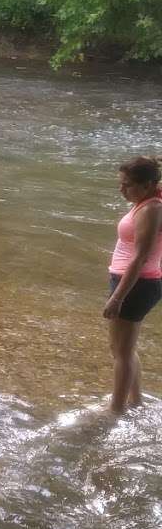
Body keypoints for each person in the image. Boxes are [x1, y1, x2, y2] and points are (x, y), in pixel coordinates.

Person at [103, 155, 162, 414]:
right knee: (124, 348)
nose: (121, 189)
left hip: (136, 284)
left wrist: (117, 297)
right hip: (133, 282)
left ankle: (116, 411)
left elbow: (140, 258)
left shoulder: (151, 208)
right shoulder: (147, 201)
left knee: (122, 352)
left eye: (127, 185)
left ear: (148, 185)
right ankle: (135, 400)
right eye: (121, 183)